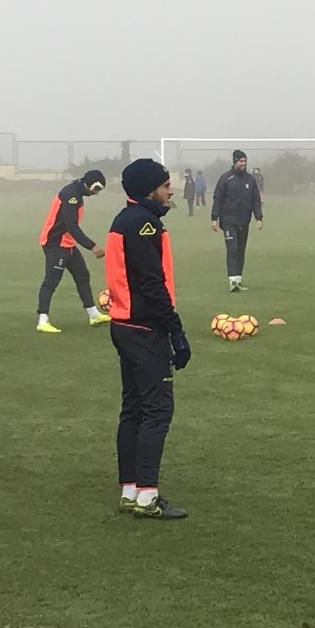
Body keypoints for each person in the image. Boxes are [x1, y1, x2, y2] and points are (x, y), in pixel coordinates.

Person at [106, 158, 191, 519]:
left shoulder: (124, 219)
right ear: (148, 189)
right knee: (158, 409)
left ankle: (130, 490)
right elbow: (151, 284)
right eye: (165, 184)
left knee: (135, 408)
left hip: (124, 325)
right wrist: (176, 330)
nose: (171, 189)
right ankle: (147, 496)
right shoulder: (143, 224)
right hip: (144, 329)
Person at [36, 170, 110, 333]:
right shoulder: (71, 195)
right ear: (88, 184)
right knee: (51, 281)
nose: (96, 193)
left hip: (67, 243)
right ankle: (43, 320)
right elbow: (72, 226)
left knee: (82, 275)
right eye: (96, 189)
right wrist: (92, 246)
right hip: (55, 243)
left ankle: (94, 315)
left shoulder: (77, 192)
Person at [211, 150, 263, 292]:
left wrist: (259, 217)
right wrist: (214, 218)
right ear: (234, 162)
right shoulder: (225, 179)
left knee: (240, 250)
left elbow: (255, 200)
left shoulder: (250, 180)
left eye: (245, 161)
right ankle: (232, 281)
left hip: (244, 220)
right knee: (232, 249)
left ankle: (238, 280)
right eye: (241, 161)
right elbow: (218, 198)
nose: (243, 164)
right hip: (228, 220)